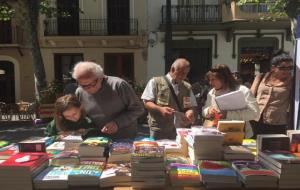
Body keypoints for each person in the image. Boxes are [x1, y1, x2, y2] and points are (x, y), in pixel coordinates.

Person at [72, 61, 144, 139]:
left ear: (100, 77)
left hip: (123, 138)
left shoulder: (118, 85)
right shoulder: (80, 91)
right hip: (96, 138)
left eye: (90, 84)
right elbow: (83, 115)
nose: (86, 89)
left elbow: (138, 109)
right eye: (82, 85)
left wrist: (117, 123)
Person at [141, 58, 197, 140]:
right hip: (159, 129)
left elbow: (189, 106)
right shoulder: (155, 82)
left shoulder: (187, 87)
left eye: (186, 74)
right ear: (172, 69)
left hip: (179, 130)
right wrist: (160, 109)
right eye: (181, 73)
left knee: (178, 152)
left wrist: (190, 112)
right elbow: (147, 102)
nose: (183, 76)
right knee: (158, 152)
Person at [202, 64, 259, 138]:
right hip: (217, 135)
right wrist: (208, 111)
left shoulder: (242, 91)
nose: (210, 83)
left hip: (239, 134)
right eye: (209, 80)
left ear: (223, 78)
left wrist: (228, 114)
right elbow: (204, 110)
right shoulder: (211, 92)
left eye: (213, 79)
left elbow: (254, 113)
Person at [250, 50, 293, 138]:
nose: (287, 70)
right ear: (273, 68)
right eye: (283, 68)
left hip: (277, 123)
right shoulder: (260, 77)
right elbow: (250, 96)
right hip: (256, 120)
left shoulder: (292, 82)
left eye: (290, 68)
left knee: (274, 149)